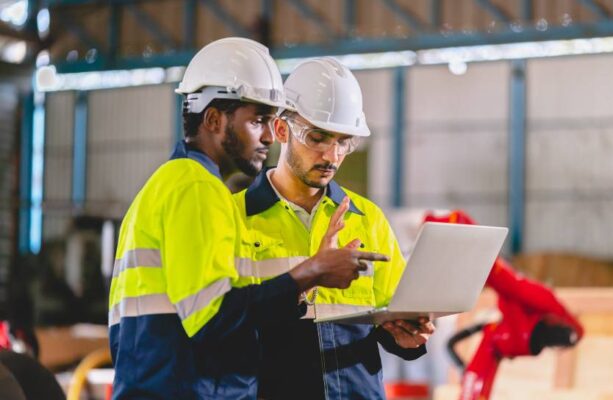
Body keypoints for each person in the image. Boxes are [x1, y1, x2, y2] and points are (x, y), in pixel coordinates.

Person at [108, 39, 388, 399]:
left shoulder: (177, 185)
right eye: (257, 120)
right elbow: (214, 317)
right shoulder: (195, 188)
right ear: (213, 119)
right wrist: (311, 272)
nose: (269, 136)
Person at [233, 57, 434, 400]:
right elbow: (218, 325)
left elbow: (388, 315)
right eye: (318, 138)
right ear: (282, 130)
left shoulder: (367, 218)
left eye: (344, 141)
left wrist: (405, 339)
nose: (332, 155)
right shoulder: (233, 217)